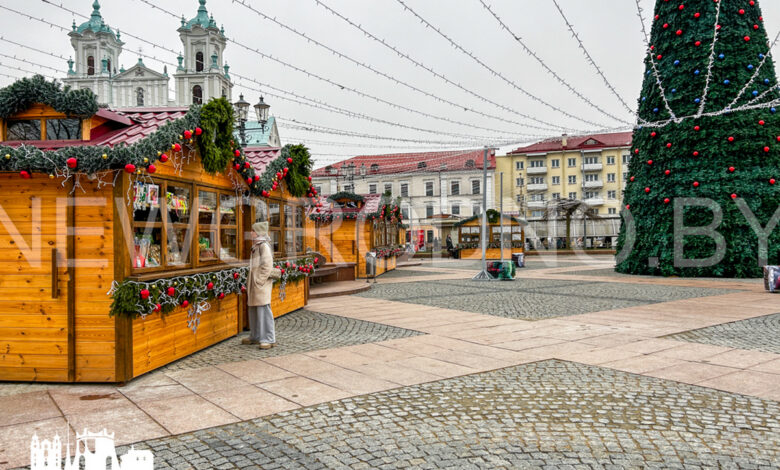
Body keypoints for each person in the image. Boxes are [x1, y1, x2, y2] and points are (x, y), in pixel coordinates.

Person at [244, 222, 281, 349]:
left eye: (253, 230)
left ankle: (268, 339)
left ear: (258, 232)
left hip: (260, 284)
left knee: (263, 310)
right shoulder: (256, 245)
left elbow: (267, 266)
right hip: (255, 284)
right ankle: (256, 336)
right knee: (253, 309)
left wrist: (259, 281)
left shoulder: (263, 246)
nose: (251, 232)